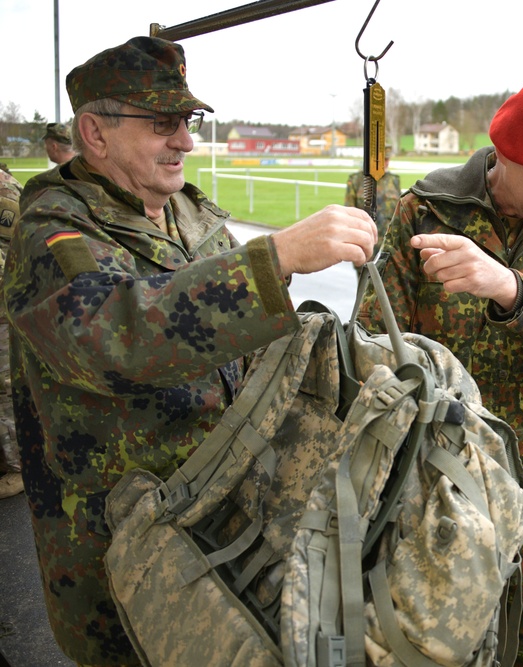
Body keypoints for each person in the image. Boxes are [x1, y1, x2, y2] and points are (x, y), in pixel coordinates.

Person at [2, 36, 376, 666]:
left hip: (215, 519)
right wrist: (274, 259)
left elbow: (242, 338)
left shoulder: (187, 213)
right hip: (118, 540)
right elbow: (114, 335)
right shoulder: (53, 230)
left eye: (188, 122)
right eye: (162, 124)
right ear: (94, 133)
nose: (185, 142)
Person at [356, 79, 523, 666]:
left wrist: (511, 290)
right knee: (422, 640)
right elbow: (374, 343)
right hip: (430, 476)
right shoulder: (425, 210)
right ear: (504, 155)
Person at [0, 163, 22, 499]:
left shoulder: (4, 191)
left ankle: (17, 467)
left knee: (5, 387)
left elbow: (17, 249)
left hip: (3, 310)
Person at [343, 154, 401, 241]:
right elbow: (349, 212)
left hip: (388, 240)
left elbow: (399, 211)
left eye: (387, 159)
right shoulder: (356, 180)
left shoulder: (394, 180)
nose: (386, 163)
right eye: (383, 160)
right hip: (364, 237)